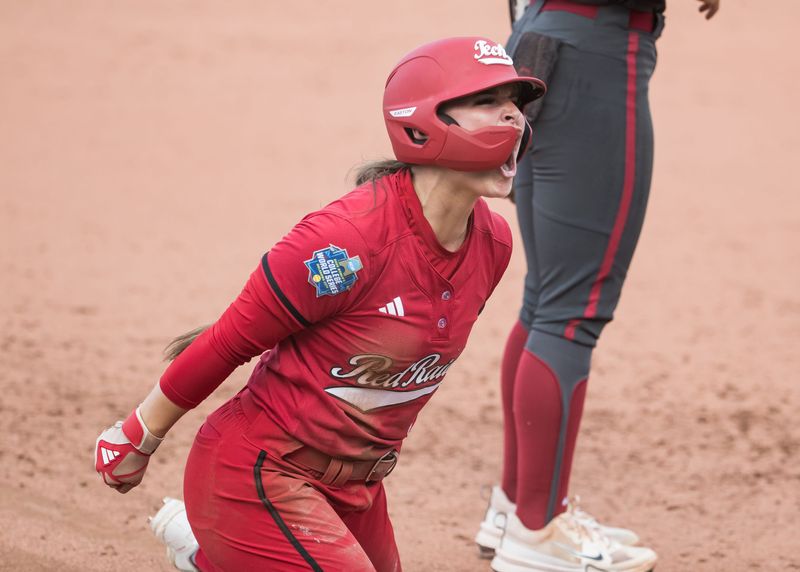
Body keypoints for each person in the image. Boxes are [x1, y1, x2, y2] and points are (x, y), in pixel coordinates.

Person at [94, 36, 547, 572]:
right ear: (422, 123)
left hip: (359, 490)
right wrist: (137, 436)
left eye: (516, 103)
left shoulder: (491, 245)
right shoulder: (342, 244)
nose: (513, 117)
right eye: (488, 102)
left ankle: (209, 560)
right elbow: (228, 341)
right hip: (258, 475)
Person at [474, 1, 721, 571]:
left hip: (541, 40)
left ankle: (518, 509)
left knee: (546, 300)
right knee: (571, 310)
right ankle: (538, 531)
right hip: (595, 53)